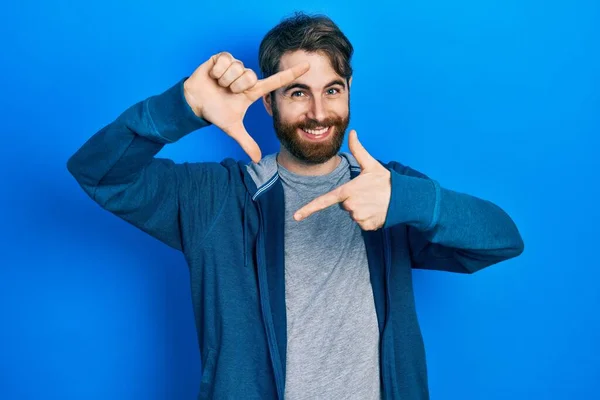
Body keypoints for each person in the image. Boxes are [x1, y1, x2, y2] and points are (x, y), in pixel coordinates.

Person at [67, 11, 524, 400]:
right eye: (298, 92)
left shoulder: (385, 190)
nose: (319, 113)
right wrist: (182, 106)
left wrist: (412, 199)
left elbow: (501, 241)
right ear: (268, 102)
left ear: (348, 92)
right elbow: (99, 173)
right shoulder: (215, 197)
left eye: (333, 90)